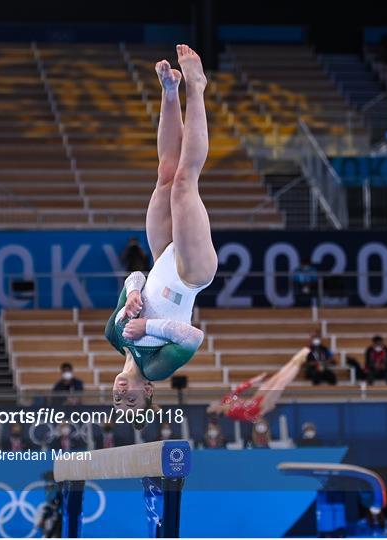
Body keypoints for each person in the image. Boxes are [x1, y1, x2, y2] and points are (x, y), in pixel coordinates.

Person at [105, 45, 217, 425]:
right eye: (132, 403)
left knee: (166, 175)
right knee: (186, 183)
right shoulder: (154, 369)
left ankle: (170, 92)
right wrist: (148, 326)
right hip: (189, 274)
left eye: (117, 403)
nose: (122, 396)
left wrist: (134, 293)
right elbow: (192, 337)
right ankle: (197, 87)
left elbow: (134, 277)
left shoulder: (114, 335)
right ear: (148, 393)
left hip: (161, 258)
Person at [207, 348, 310, 423]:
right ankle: (299, 362)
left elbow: (240, 388)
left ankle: (294, 361)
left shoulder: (226, 400)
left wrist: (257, 379)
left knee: (275, 378)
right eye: (211, 407)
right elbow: (250, 418)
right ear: (216, 412)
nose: (212, 404)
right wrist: (264, 411)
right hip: (261, 405)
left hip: (255, 399)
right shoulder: (231, 414)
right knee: (280, 383)